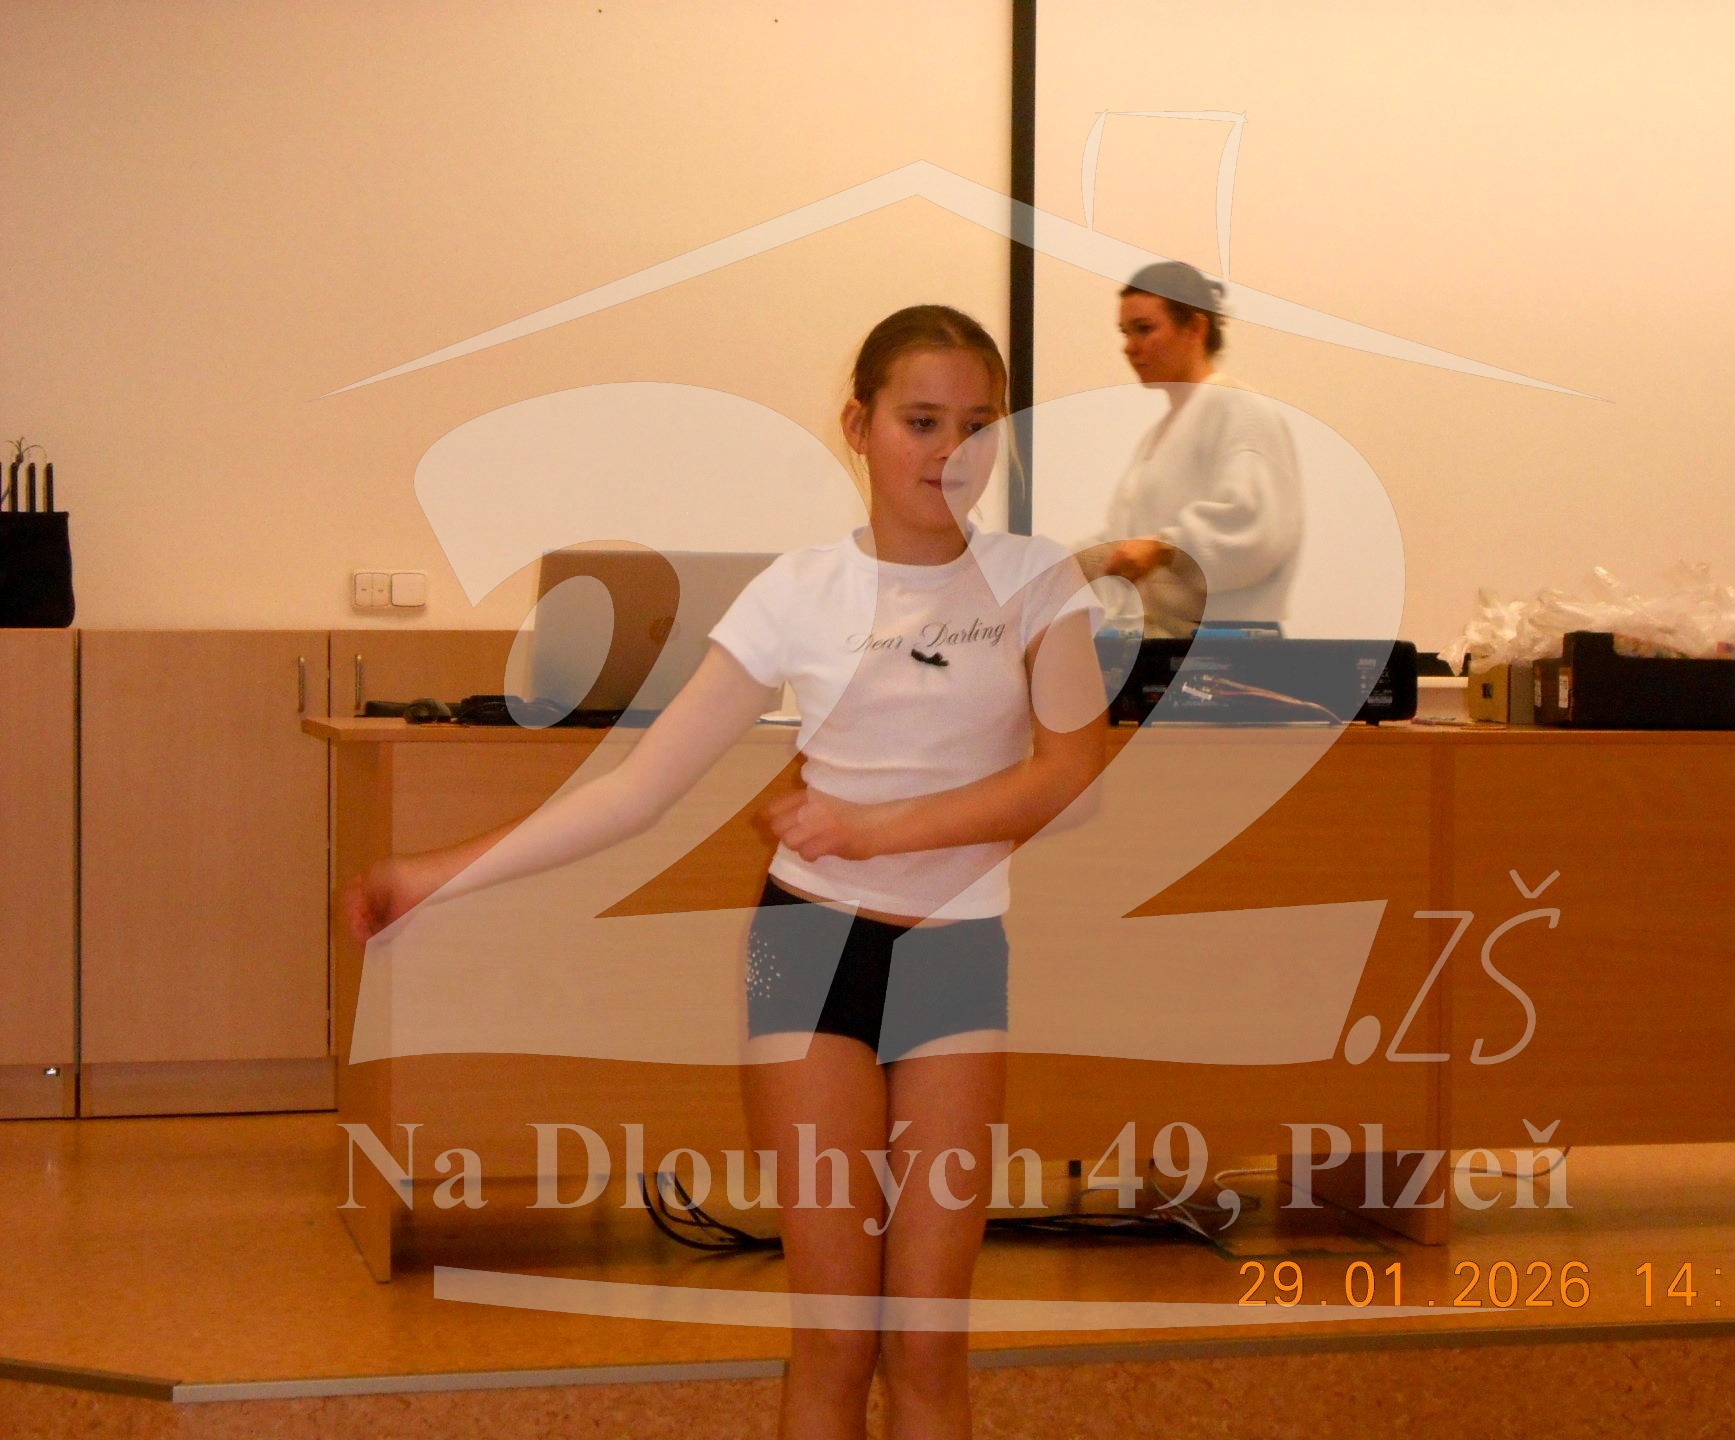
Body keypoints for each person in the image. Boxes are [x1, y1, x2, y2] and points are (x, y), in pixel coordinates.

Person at [344, 304, 1108, 1440]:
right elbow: (636, 790)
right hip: (806, 948)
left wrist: (873, 829)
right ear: (857, 424)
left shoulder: (1039, 582)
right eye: (921, 421)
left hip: (955, 953)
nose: (952, 453)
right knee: (834, 1339)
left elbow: (1073, 782)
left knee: (928, 1344)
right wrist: (434, 875)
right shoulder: (799, 590)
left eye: (978, 425)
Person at [1087, 260, 1303, 639]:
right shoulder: (1162, 432)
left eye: (1144, 329)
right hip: (1167, 643)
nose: (1129, 347)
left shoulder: (1241, 410)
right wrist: (1056, 563)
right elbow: (1128, 541)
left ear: (1195, 328)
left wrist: (1163, 547)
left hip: (1228, 647)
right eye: (1125, 332)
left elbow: (1256, 527)